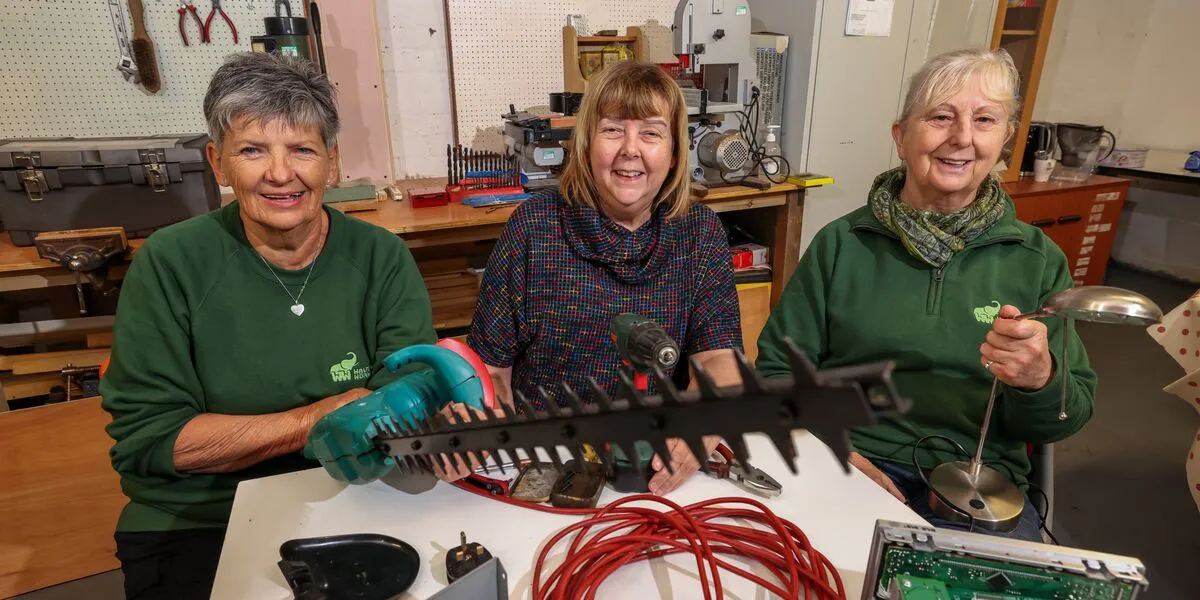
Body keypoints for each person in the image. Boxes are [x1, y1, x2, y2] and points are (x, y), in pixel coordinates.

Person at [100, 52, 437, 599]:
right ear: (218, 162)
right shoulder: (172, 262)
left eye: (302, 150)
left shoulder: (380, 256)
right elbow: (156, 440)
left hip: (351, 497)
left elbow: (409, 395)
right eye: (252, 150)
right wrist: (327, 413)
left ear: (331, 161)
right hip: (202, 516)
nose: (281, 174)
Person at [756, 48, 1097, 542]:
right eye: (941, 117)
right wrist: (832, 451)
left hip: (978, 485)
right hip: (847, 462)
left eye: (984, 120)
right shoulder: (841, 244)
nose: (961, 138)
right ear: (901, 136)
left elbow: (1069, 413)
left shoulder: (1037, 260)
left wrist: (1038, 379)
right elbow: (776, 371)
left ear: (1004, 140)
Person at [468, 60, 743, 495]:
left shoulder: (699, 233)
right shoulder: (535, 229)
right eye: (613, 129)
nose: (630, 149)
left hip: (650, 467)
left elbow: (719, 361)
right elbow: (491, 373)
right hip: (547, 466)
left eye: (651, 132)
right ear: (585, 144)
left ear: (673, 153)